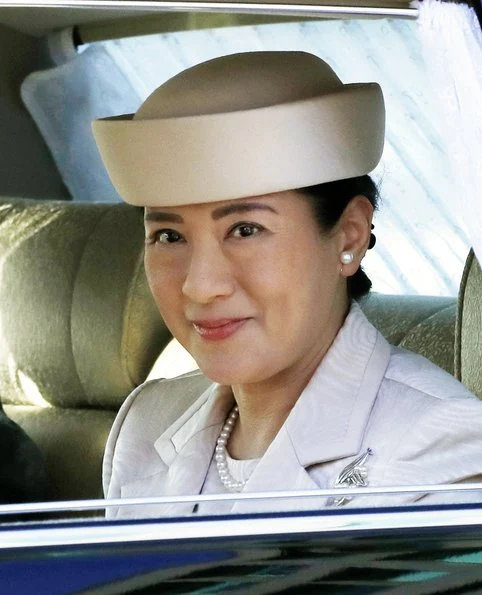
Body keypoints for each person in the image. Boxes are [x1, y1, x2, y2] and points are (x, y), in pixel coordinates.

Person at [93, 51, 482, 519]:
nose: (200, 286)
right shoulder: (146, 421)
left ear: (349, 236)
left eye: (245, 230)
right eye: (169, 236)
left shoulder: (445, 449)